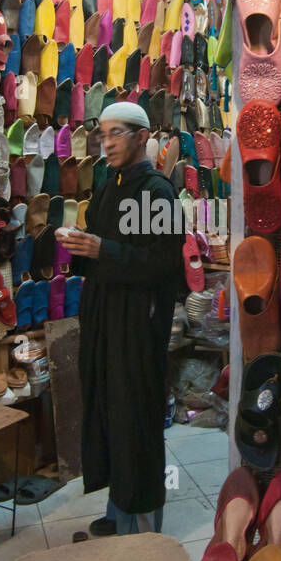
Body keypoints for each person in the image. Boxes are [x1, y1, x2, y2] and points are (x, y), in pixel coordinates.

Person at [57, 102, 183, 536]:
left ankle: (143, 527)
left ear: (142, 136)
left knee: (136, 417)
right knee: (111, 410)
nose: (106, 143)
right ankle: (119, 512)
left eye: (117, 133)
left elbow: (165, 266)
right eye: (102, 134)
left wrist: (101, 251)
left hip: (136, 324)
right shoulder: (112, 185)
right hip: (106, 316)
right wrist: (82, 246)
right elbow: (107, 244)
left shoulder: (156, 193)